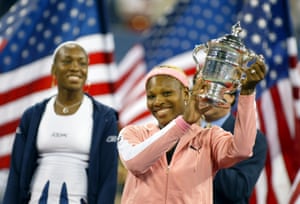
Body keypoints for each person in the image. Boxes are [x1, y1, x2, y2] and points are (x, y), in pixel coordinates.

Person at [117, 62, 266, 204]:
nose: (158, 101)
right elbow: (136, 163)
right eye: (151, 96)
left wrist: (247, 93)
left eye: (167, 93)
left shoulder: (208, 137)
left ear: (187, 95)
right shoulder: (132, 133)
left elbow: (242, 150)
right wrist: (183, 123)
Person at [3, 41, 119, 204]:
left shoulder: (105, 117)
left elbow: (108, 178)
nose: (75, 67)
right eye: (67, 61)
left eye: (82, 63)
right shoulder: (32, 115)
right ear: (53, 70)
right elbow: (16, 173)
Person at [192, 70, 268, 203]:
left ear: (232, 97)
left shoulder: (253, 139)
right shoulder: (179, 131)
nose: (211, 95)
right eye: (205, 88)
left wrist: (201, 153)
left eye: (219, 89)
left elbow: (238, 190)